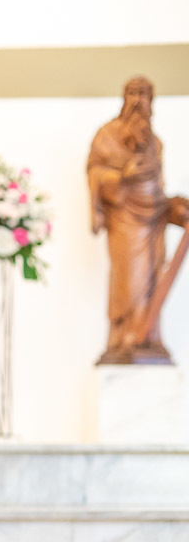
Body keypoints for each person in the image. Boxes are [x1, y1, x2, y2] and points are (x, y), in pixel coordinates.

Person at [87, 75, 189, 362]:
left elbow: (157, 193)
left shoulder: (155, 143)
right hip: (124, 219)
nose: (137, 100)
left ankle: (149, 336)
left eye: (144, 94)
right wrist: (122, 176)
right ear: (124, 98)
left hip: (152, 221)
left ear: (151, 101)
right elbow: (95, 173)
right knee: (129, 278)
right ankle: (123, 337)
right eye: (132, 93)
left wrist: (174, 209)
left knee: (153, 277)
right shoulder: (106, 135)